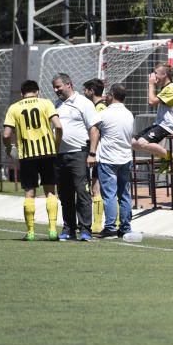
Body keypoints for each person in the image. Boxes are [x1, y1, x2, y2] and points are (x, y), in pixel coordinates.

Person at [2, 80, 63, 241]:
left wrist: (9, 149)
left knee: (29, 193)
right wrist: (55, 146)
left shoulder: (14, 107)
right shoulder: (46, 103)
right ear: (38, 91)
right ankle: (52, 230)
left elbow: (6, 135)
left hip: (27, 155)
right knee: (50, 191)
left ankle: (30, 232)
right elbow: (58, 126)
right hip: (48, 153)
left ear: (22, 93)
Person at [52, 72, 98, 242]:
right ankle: (68, 228)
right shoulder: (56, 104)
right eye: (54, 87)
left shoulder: (83, 103)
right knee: (65, 194)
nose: (56, 90)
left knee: (82, 192)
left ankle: (85, 229)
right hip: (59, 155)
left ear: (68, 84)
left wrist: (92, 153)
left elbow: (94, 129)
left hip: (78, 153)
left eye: (58, 86)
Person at [87, 83, 135, 238]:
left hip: (108, 159)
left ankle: (110, 227)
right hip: (126, 158)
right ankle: (125, 227)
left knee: (109, 194)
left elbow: (94, 130)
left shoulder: (104, 113)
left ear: (112, 95)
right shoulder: (129, 114)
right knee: (124, 194)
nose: (105, 97)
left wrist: (92, 153)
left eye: (108, 94)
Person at [132, 62, 173, 173]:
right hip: (160, 124)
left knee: (141, 143)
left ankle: (170, 156)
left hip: (169, 125)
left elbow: (151, 101)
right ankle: (164, 157)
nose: (153, 76)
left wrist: (151, 85)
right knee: (133, 143)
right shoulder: (166, 88)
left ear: (165, 75)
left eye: (156, 73)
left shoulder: (172, 88)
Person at [83, 77, 107, 233]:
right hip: (102, 152)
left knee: (97, 188)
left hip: (99, 152)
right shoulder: (100, 106)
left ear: (91, 91)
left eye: (85, 89)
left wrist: (92, 151)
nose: (84, 93)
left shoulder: (99, 108)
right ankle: (114, 222)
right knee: (105, 189)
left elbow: (98, 130)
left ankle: (98, 224)